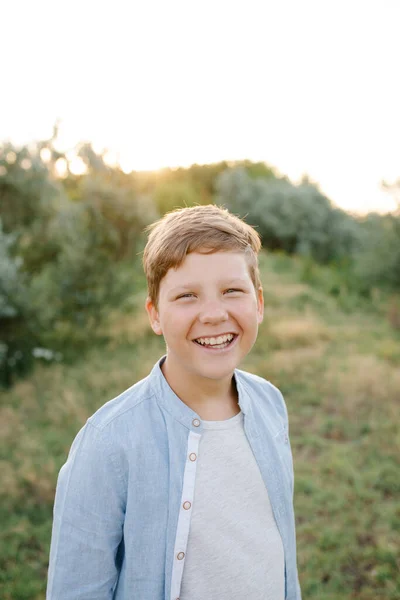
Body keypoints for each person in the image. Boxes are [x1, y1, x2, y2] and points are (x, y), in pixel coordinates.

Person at [46, 204, 302, 600]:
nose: (215, 314)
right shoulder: (108, 443)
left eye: (232, 290)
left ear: (259, 303)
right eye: (187, 296)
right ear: (155, 315)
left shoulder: (271, 403)